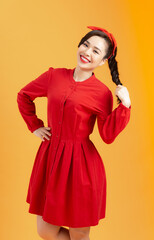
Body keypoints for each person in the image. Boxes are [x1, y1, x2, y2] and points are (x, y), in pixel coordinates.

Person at [17, 26, 131, 240]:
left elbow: (107, 135)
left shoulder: (102, 93)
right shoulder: (54, 76)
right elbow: (24, 95)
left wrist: (124, 106)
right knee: (45, 230)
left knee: (79, 233)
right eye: (85, 45)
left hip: (81, 166)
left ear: (103, 60)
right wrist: (35, 125)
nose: (87, 52)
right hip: (50, 158)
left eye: (96, 51)